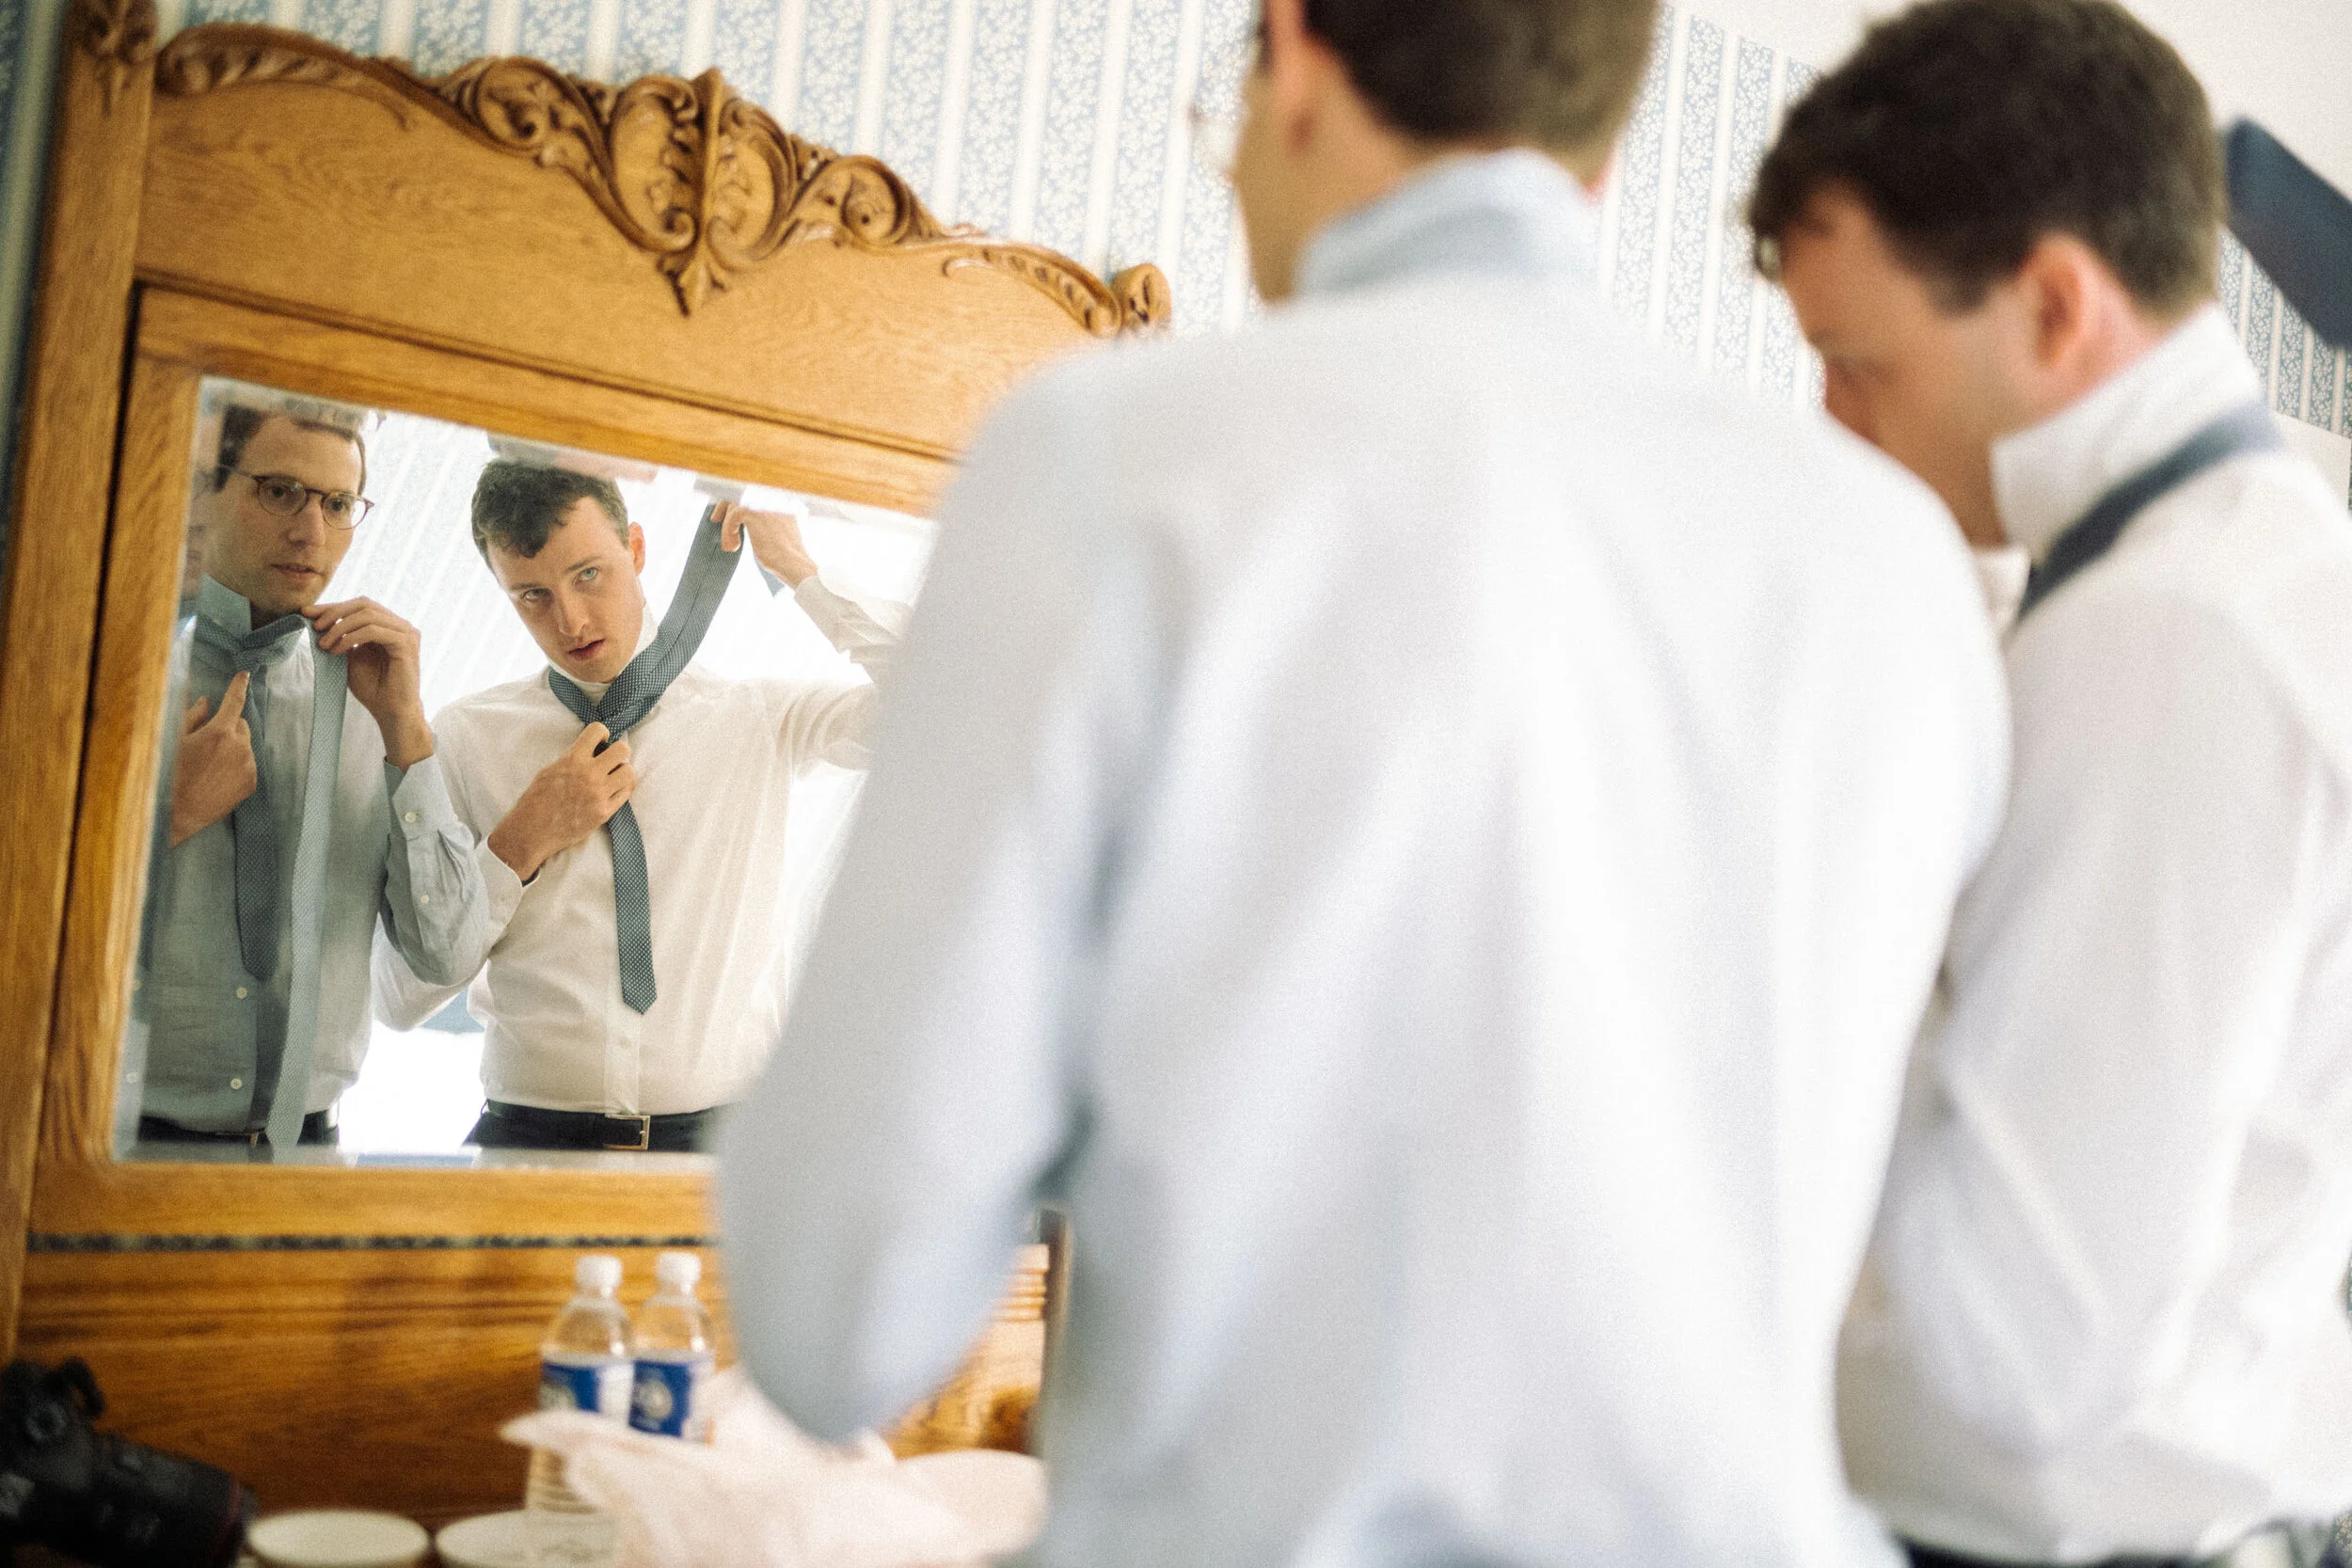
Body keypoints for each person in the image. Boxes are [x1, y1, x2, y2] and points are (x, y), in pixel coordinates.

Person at [716, 0, 2009, 1561]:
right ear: (1600, 148)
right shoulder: (1892, 560)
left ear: (1297, 52)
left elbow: (835, 1312)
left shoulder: (1117, 463)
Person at [1749, 3, 2352, 1563]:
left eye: (1859, 364)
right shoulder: (2224, 576)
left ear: (2057, 304)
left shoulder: (2173, 636)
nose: (1833, 420)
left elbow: (2024, 1337)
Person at [373, 463, 905, 1152]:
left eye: (588, 574)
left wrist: (801, 569)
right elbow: (398, 995)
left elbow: (950, 706)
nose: (570, 620)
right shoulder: (467, 739)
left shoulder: (756, 720)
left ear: (638, 549)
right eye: (532, 595)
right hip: (527, 1149)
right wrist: (517, 845)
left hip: (717, 1154)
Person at [138, 401, 489, 1148]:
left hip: (311, 1164)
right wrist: (166, 814)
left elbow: (446, 953)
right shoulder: (115, 688)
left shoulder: (377, 707)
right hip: (124, 1151)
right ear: (205, 492)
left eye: (337, 504)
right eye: (280, 491)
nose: (312, 532)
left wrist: (407, 733)